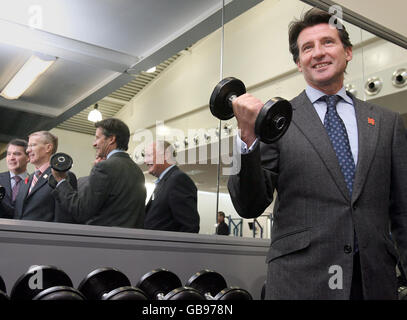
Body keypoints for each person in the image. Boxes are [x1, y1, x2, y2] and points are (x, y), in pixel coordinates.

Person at [227, 8, 407, 300]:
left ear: (347, 52)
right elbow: (249, 205)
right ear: (299, 63)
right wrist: (248, 137)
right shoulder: (277, 121)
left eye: (328, 42)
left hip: (374, 281)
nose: (318, 53)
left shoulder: (386, 123)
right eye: (307, 48)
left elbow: (403, 211)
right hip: (300, 282)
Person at [51, 118, 146, 228]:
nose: (94, 144)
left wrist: (61, 181)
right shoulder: (137, 170)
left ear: (111, 139)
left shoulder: (104, 167)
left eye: (97, 138)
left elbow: (81, 211)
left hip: (104, 241)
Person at [13, 131, 76, 222]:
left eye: (33, 145)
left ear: (48, 148)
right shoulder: (26, 181)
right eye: (28, 146)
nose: (27, 150)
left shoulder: (63, 176)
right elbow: (17, 213)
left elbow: (63, 217)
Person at [143, 140, 200, 233]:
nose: (145, 161)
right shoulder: (165, 181)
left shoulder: (178, 180)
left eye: (149, 155)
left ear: (166, 155)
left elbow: (189, 227)